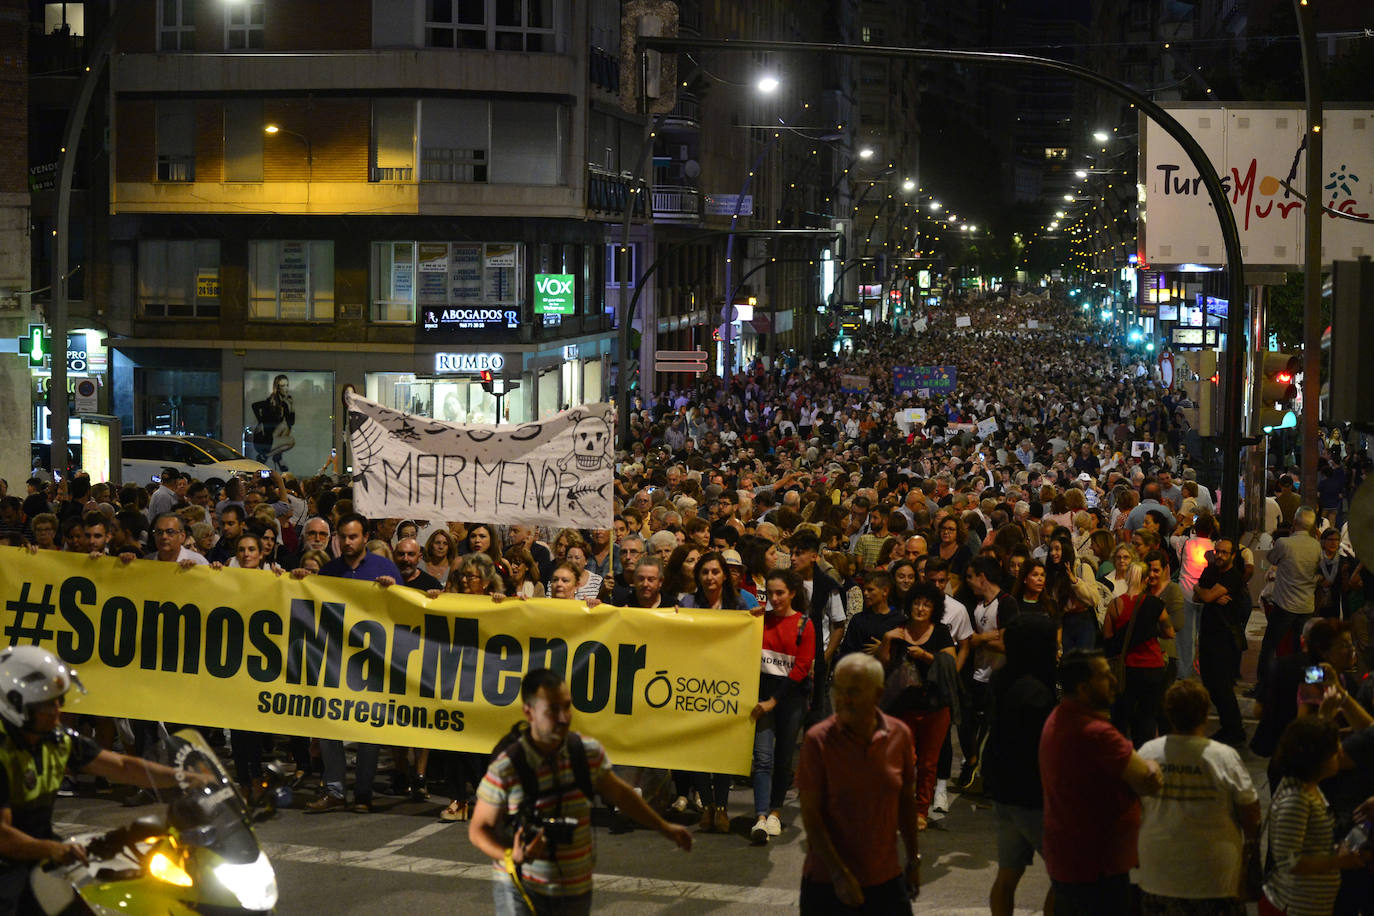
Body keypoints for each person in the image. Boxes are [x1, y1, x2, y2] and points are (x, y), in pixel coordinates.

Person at [468, 668, 691, 914]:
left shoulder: (586, 753)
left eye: (567, 706)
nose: (564, 717)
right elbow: (479, 829)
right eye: (553, 709)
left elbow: (621, 795)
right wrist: (512, 854)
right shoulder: (508, 767)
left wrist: (665, 828)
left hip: (574, 888)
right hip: (521, 888)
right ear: (528, 712)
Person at [0, 646, 204, 913]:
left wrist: (187, 777)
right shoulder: (4, 753)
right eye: (46, 705)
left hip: (42, 851)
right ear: (15, 704)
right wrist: (51, 849)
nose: (57, 711)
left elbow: (122, 766)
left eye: (58, 701)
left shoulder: (55, 740)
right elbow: (3, 837)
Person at [1039, 649, 1163, 915]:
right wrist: (1152, 764)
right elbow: (1148, 781)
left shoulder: (1059, 717)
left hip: (1070, 855)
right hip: (1098, 865)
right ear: (1084, 688)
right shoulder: (1098, 734)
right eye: (1106, 677)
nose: (1115, 682)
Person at [796, 653, 920, 915]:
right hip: (828, 883)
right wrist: (839, 875)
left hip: (885, 878)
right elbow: (811, 816)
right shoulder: (817, 741)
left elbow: (906, 802)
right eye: (838, 690)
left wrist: (913, 860)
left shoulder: (899, 735)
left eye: (853, 692)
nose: (842, 700)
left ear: (878, 694)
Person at [1136, 679, 1260, 914]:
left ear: (1168, 713)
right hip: (1213, 876)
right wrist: (1250, 849)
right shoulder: (1224, 757)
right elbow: (1250, 808)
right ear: (1205, 714)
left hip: (1159, 872)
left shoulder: (1148, 753)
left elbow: (1133, 803)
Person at [306, 513, 400, 814]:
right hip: (335, 659)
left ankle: (363, 792)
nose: (348, 542)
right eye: (343, 537)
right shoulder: (329, 571)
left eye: (354, 537)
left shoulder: (384, 568)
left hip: (371, 662)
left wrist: (392, 590)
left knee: (367, 729)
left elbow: (404, 610)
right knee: (329, 725)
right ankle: (334, 790)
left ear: (364, 537)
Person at [985, 614, 1059, 916]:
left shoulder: (1004, 677)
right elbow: (1040, 748)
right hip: (1032, 797)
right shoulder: (1035, 692)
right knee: (1066, 877)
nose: (1056, 650)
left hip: (1004, 791)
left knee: (1007, 875)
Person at [1263, 716, 1372, 916]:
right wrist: (1339, 861)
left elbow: (1311, 844)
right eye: (1334, 750)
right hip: (1296, 905)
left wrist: (1339, 849)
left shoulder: (1311, 788)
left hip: (1314, 903)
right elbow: (1290, 862)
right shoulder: (1296, 800)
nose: (1340, 752)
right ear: (1316, 758)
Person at [872, 581, 956, 829]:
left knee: (929, 763)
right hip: (903, 705)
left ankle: (921, 810)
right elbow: (882, 666)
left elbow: (949, 665)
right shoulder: (897, 629)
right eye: (917, 603)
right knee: (905, 759)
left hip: (935, 705)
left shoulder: (940, 632)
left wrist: (927, 656)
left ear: (934, 608)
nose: (920, 608)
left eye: (926, 604)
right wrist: (886, 641)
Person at [750, 568, 816, 845]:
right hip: (762, 697)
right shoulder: (758, 621)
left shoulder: (804, 625)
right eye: (770, 593)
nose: (774, 599)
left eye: (780, 593)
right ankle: (761, 815)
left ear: (791, 593)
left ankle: (776, 810)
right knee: (762, 758)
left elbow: (801, 669)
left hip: (789, 699)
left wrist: (773, 701)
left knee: (783, 757)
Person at [1103, 557, 1175, 747]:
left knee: (1122, 712)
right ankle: (1144, 751)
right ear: (1145, 579)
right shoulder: (1155, 604)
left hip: (1126, 669)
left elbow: (1108, 637)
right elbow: (1169, 632)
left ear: (1127, 578)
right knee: (1148, 714)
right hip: (1152, 667)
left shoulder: (1115, 605)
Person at [1258, 506, 1323, 692]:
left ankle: (1264, 686)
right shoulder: (1316, 545)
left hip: (1285, 603)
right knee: (1304, 648)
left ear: (1294, 523)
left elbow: (1271, 558)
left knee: (1270, 646)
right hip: (1306, 604)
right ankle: (1307, 685)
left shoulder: (1285, 544)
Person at [1194, 537, 1250, 745]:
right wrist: (1206, 593)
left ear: (1233, 556)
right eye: (1217, 551)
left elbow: (1203, 595)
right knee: (1210, 684)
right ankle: (1229, 727)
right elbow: (1196, 594)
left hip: (1224, 641)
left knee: (1223, 687)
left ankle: (1235, 731)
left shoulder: (1233, 577)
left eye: (1224, 552)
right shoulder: (1210, 571)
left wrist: (1205, 593)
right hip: (1208, 636)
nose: (1219, 555)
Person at [250, 373, 295, 471]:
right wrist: (261, 421)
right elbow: (254, 405)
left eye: (287, 385)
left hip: (273, 438)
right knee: (291, 441)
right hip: (263, 440)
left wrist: (291, 407)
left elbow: (291, 423)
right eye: (282, 386)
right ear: (277, 388)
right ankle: (269, 456)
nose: (286, 388)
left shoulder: (284, 404)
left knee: (286, 426)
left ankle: (274, 457)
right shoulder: (270, 402)